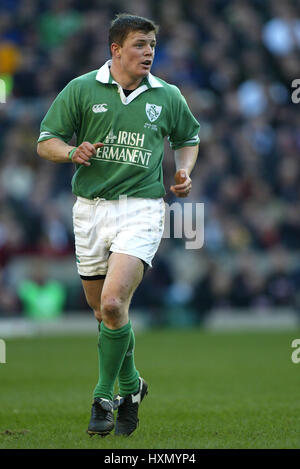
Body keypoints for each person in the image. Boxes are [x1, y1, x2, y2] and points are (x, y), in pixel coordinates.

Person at [37, 13, 200, 437]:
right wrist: (72, 152)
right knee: (103, 312)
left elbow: (188, 138)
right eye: (139, 45)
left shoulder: (167, 95)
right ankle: (132, 385)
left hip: (142, 209)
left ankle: (103, 397)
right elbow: (45, 141)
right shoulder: (80, 88)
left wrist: (184, 173)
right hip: (90, 209)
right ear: (115, 49)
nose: (148, 52)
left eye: (151, 45)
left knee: (112, 304)